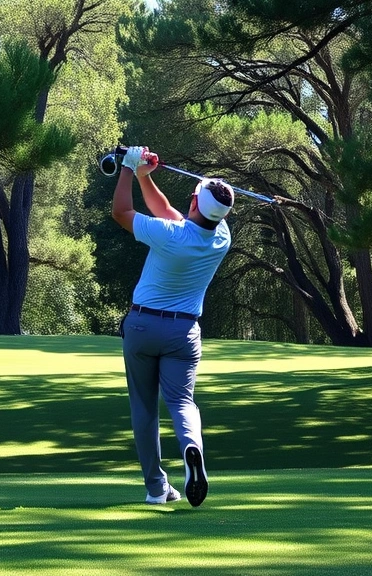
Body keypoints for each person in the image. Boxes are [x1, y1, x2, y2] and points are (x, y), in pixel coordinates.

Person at [111, 145, 234, 507]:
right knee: (182, 402)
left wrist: (128, 168)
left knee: (144, 409)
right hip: (184, 334)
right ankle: (192, 447)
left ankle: (156, 489)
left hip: (143, 328)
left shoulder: (169, 235)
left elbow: (121, 211)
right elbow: (167, 211)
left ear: (195, 204)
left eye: (193, 196)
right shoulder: (220, 236)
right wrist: (146, 177)